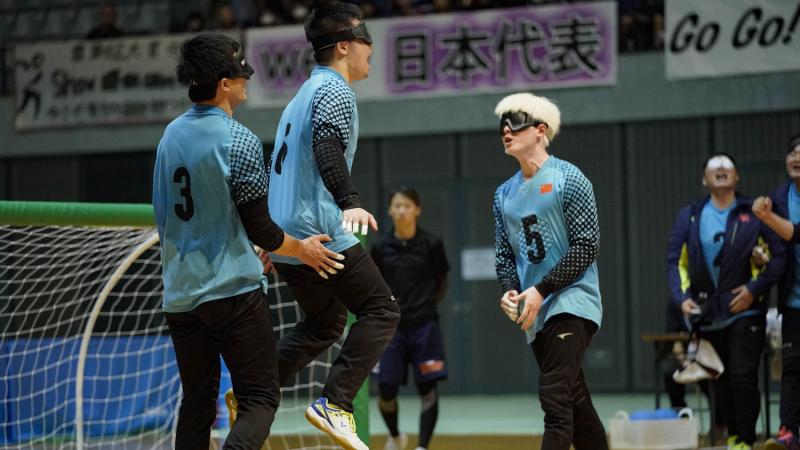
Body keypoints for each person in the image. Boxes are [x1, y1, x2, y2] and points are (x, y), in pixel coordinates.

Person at [152, 33, 342, 450]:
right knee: (260, 400)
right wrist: (302, 250)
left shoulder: (169, 137)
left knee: (197, 404)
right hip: (231, 291)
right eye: (240, 75)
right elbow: (264, 231)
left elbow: (164, 219)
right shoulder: (238, 139)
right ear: (224, 83)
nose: (246, 82)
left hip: (181, 296)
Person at [228, 3, 400, 450]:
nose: (371, 52)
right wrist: (350, 202)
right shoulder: (335, 92)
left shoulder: (300, 97)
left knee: (326, 323)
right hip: (317, 230)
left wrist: (270, 237)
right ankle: (335, 404)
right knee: (382, 310)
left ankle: (252, 389)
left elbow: (276, 169)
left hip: (287, 238)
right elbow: (327, 149)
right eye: (367, 43)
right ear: (344, 46)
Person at [493, 92, 607, 450]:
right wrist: (511, 291)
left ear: (541, 130)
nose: (506, 131)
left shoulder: (569, 178)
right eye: (502, 126)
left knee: (554, 397)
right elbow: (503, 255)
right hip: (534, 311)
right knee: (576, 402)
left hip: (573, 302)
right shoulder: (503, 194)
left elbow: (587, 245)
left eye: (516, 123)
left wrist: (542, 289)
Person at [666, 152, 786, 450]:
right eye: (713, 166)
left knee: (743, 374)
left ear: (736, 178)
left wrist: (752, 289)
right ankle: (732, 433)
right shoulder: (690, 215)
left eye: (727, 166)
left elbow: (778, 258)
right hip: (708, 311)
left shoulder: (753, 213)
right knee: (718, 378)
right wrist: (682, 299)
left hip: (746, 310)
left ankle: (745, 438)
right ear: (704, 179)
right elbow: (674, 260)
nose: (720, 168)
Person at [370, 187, 450, 450]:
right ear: (391, 211)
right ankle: (395, 435)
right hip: (391, 330)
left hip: (425, 326)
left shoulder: (432, 244)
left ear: (417, 209)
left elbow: (442, 282)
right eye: (397, 206)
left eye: (407, 205)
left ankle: (422, 446)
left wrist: (424, 306)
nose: (402, 210)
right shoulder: (380, 247)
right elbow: (375, 284)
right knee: (386, 390)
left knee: (428, 389)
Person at [753, 133, 800, 450]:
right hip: (793, 300)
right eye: (793, 151)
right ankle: (789, 434)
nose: (797, 156)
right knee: (793, 366)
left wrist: (767, 216)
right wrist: (761, 255)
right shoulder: (781, 195)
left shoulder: (772, 207)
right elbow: (772, 244)